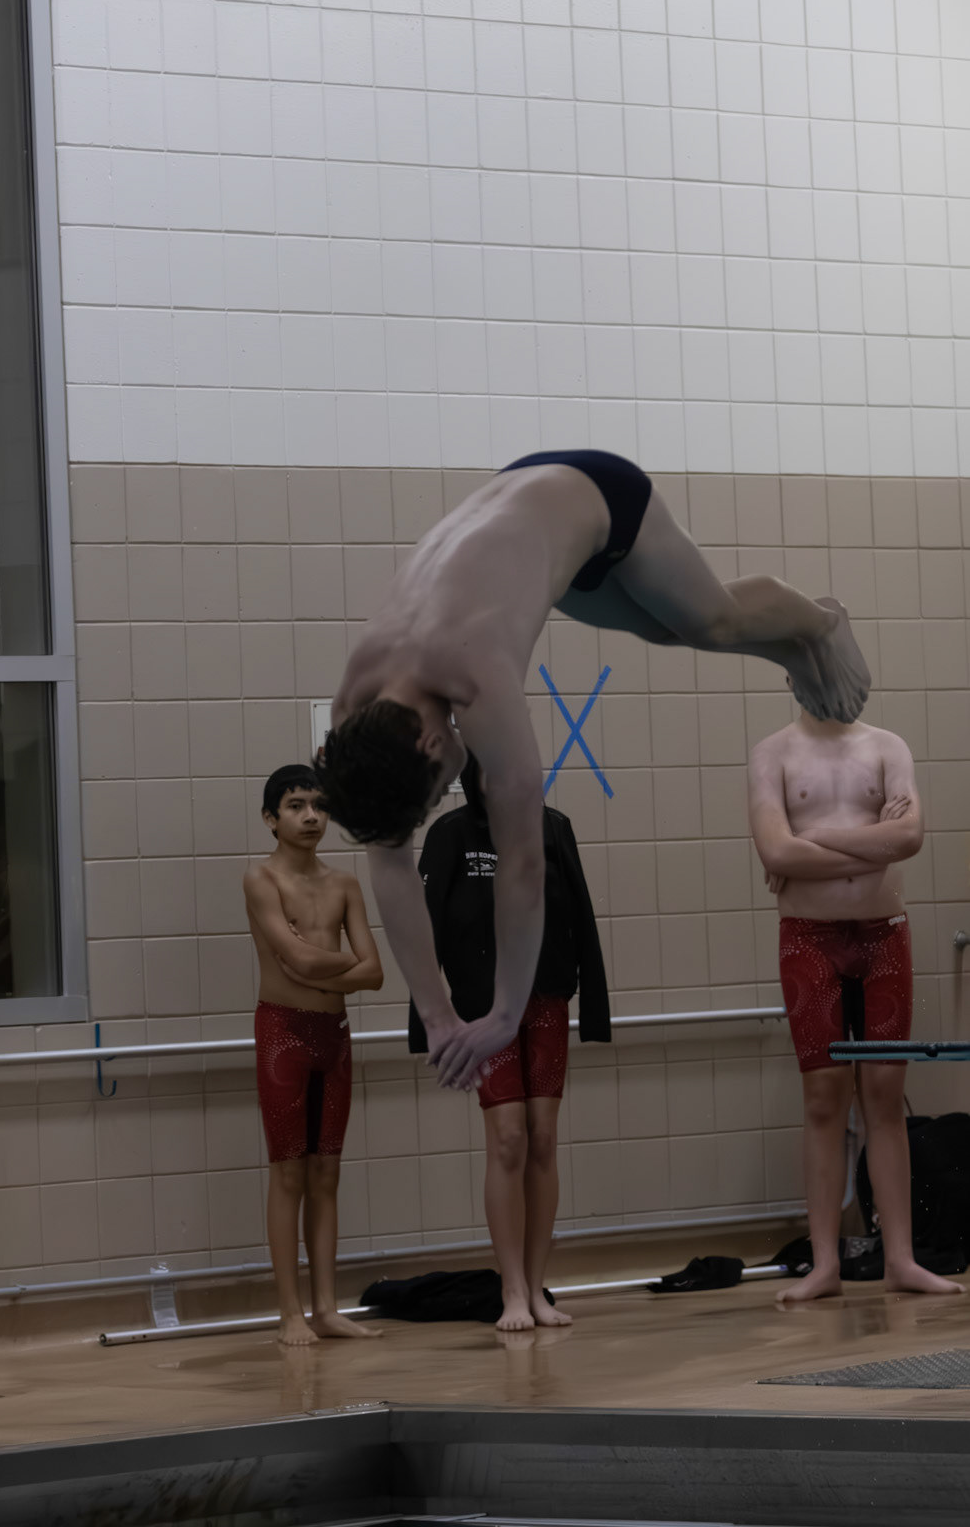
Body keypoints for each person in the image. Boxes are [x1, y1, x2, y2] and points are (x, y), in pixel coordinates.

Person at [315, 449, 870, 1091]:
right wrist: (437, 1016)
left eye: (435, 793)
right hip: (530, 516)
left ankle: (820, 623)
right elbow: (389, 864)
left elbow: (523, 868)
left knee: (710, 621)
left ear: (430, 744)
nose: (445, 797)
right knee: (662, 629)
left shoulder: (477, 680)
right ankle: (793, 654)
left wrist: (504, 1015)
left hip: (596, 492)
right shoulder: (355, 710)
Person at [748, 707, 962, 1305]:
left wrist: (812, 836)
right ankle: (824, 1264)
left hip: (883, 937)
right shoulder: (772, 753)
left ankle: (900, 1258)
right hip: (808, 940)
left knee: (885, 1098)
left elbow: (909, 838)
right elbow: (776, 853)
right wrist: (874, 845)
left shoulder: (889, 746)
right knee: (823, 1099)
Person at [408, 755, 610, 1330]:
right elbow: (423, 931)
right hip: (482, 1009)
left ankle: (537, 1288)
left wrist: (594, 1007)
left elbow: (581, 916)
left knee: (542, 1138)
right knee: (507, 1139)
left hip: (545, 1000)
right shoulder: (451, 835)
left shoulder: (554, 828)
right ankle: (512, 1290)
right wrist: (428, 1021)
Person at [244, 764, 385, 1346]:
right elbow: (299, 961)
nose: (311, 817)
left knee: (326, 1172)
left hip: (334, 1036)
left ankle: (326, 1308)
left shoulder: (345, 884)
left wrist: (317, 965)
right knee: (288, 1172)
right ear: (270, 818)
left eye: (320, 806)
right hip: (284, 1033)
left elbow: (376, 974)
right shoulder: (261, 879)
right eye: (296, 806)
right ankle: (290, 1314)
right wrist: (340, 963)